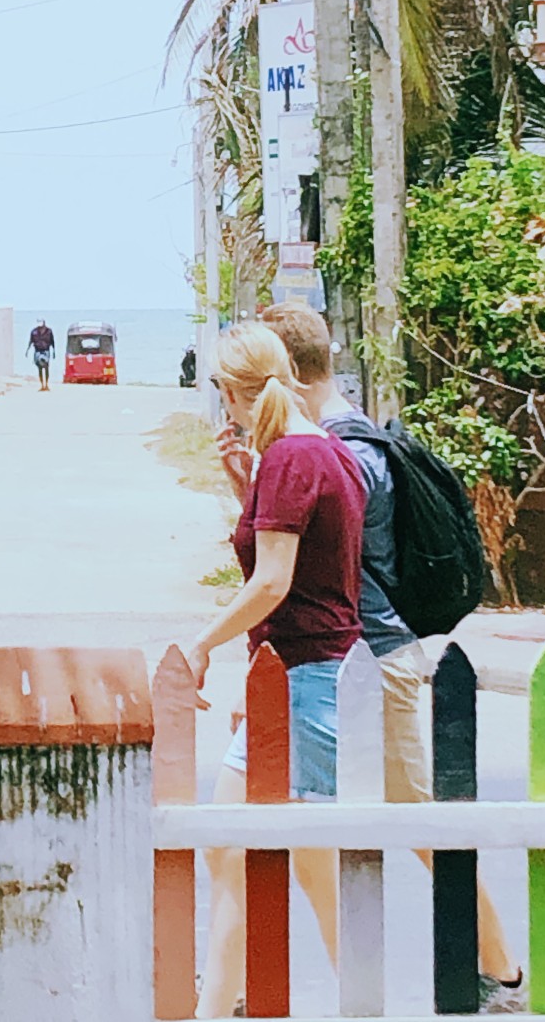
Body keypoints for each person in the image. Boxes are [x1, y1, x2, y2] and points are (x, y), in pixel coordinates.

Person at [260, 303, 526, 1012]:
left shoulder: (345, 450)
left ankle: (500, 973)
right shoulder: (345, 440)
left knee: (421, 821)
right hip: (358, 665)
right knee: (324, 825)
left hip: (378, 660)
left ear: (284, 375)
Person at [183, 322, 366, 1019]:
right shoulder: (324, 451)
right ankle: (222, 1000)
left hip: (308, 678)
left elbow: (275, 582)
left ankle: (356, 994)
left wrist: (201, 643)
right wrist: (245, 493)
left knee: (291, 860)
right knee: (242, 851)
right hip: (299, 676)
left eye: (223, 395)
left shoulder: (292, 457)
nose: (224, 410)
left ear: (235, 391)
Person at [28, 320, 57, 391]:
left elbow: (52, 341)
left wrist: (54, 352)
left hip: (46, 351)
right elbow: (30, 341)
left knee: (46, 367)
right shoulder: (34, 332)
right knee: (39, 368)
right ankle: (42, 385)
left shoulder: (49, 331)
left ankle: (46, 384)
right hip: (37, 351)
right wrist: (27, 350)